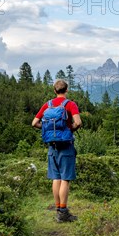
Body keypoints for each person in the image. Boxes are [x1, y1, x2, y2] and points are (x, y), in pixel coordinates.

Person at [32, 79, 82, 223]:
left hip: (52, 146)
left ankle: (58, 210)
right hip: (66, 146)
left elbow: (34, 123)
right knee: (65, 179)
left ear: (55, 91)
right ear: (66, 90)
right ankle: (63, 212)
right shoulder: (70, 104)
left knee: (56, 178)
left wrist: (48, 130)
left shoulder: (47, 105)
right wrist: (69, 129)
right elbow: (78, 122)